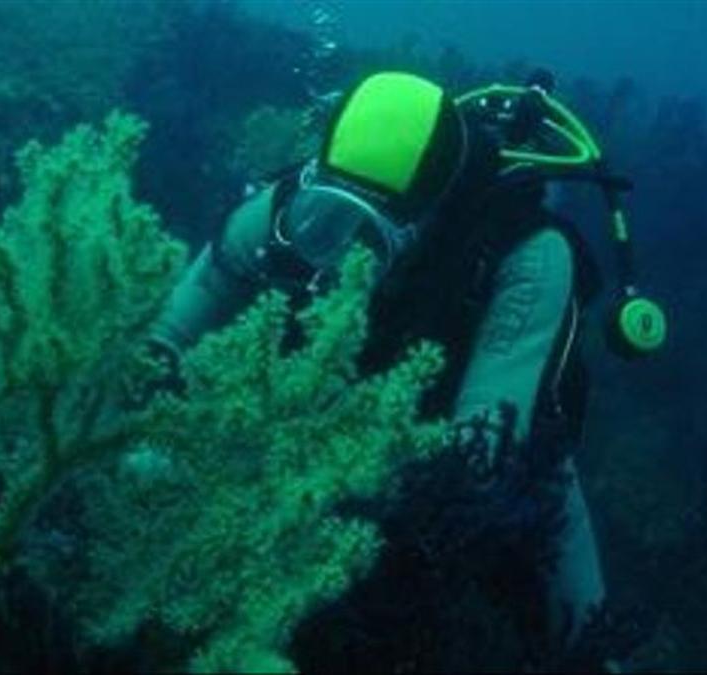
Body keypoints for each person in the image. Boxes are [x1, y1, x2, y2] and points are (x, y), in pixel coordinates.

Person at [146, 70, 666, 666]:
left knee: (549, 525)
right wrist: (148, 383)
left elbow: (482, 450)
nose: (343, 261)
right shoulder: (295, 201)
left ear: (427, 221)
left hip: (477, 405)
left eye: (369, 235)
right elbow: (200, 295)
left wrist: (339, 499)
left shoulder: (531, 256)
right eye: (329, 219)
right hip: (335, 395)